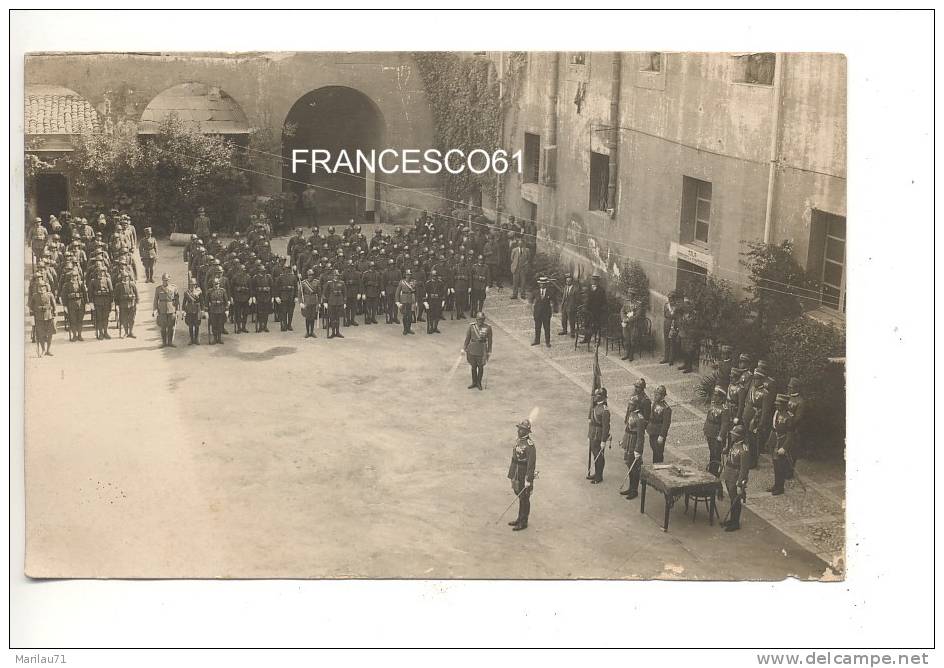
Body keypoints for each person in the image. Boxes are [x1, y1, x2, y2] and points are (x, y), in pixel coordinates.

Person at [506, 418, 537, 531]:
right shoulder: (518, 441)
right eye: (519, 429)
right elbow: (514, 458)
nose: (519, 431)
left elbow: (531, 464)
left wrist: (529, 479)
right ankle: (519, 518)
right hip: (517, 472)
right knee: (519, 495)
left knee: (525, 497)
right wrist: (511, 473)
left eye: (522, 429)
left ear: (527, 432)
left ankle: (524, 521)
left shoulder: (530, 445)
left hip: (524, 473)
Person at [720, 424, 750, 531]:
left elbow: (744, 469)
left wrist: (740, 483)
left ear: (739, 437)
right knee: (732, 499)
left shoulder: (744, 450)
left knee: (735, 501)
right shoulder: (734, 444)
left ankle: (735, 522)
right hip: (729, 475)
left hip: (735, 477)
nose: (732, 436)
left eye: (735, 434)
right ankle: (732, 520)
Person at [767, 394, 796, 496]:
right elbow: (774, 429)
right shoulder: (777, 413)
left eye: (779, 404)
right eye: (776, 404)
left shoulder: (789, 417)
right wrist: (770, 441)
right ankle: (776, 485)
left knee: (781, 466)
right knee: (775, 465)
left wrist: (784, 447)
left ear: (784, 405)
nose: (776, 406)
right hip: (776, 441)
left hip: (783, 442)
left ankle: (780, 487)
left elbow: (790, 435)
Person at [620, 395, 646, 500]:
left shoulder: (640, 418)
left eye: (631, 404)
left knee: (634, 468)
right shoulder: (631, 414)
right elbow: (627, 429)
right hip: (629, 442)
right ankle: (630, 487)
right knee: (628, 465)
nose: (629, 406)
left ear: (636, 405)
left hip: (635, 444)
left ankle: (634, 490)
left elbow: (641, 436)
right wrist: (624, 440)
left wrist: (638, 450)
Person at [462, 312, 492, 390]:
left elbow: (490, 341)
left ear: (484, 319)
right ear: (476, 319)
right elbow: (467, 338)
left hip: (482, 350)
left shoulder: (488, 327)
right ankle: (474, 382)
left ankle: (479, 382)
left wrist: (489, 351)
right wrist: (464, 348)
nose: (480, 321)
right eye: (479, 319)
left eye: (482, 319)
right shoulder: (472, 326)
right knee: (473, 367)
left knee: (481, 367)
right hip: (472, 349)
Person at [587, 387, 611, 484]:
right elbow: (591, 423)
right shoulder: (596, 406)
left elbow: (606, 427)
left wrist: (603, 441)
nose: (595, 397)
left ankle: (599, 476)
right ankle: (596, 473)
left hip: (599, 435)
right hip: (593, 434)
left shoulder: (605, 411)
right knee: (595, 454)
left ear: (602, 397)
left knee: (599, 456)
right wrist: (589, 435)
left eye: (597, 395)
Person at [152, 273, 180, 347]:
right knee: (163, 327)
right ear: (162, 280)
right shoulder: (158, 289)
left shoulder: (174, 288)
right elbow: (155, 300)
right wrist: (155, 310)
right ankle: (164, 343)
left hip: (171, 309)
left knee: (171, 326)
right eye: (164, 280)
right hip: (162, 310)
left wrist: (177, 310)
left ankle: (170, 342)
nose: (166, 282)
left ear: (169, 280)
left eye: (167, 280)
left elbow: (177, 300)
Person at [29, 281, 56, 356]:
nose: (41, 288)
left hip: (49, 317)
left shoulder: (49, 295)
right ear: (37, 288)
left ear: (45, 287)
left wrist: (54, 313)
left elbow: (54, 305)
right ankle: (43, 349)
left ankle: (48, 350)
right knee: (41, 334)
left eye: (43, 286)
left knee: (50, 334)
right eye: (40, 287)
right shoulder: (34, 296)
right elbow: (31, 307)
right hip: (39, 318)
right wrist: (33, 315)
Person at [646, 385, 672, 464]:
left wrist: (662, 435)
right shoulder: (655, 403)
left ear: (662, 396)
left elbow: (666, 424)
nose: (655, 396)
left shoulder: (666, 409)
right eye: (655, 394)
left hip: (658, 432)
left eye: (657, 394)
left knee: (658, 453)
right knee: (654, 449)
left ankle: (658, 466)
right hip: (652, 430)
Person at [88, 262, 114, 340]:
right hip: (97, 302)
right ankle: (100, 333)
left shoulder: (108, 280)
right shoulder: (93, 281)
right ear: (97, 272)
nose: (101, 273)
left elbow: (111, 291)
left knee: (106, 317)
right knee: (99, 318)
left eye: (102, 271)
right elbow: (90, 293)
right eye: (99, 272)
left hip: (106, 301)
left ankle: (105, 332)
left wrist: (112, 301)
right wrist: (91, 302)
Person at [530, 276, 556, 347]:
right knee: (537, 327)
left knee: (547, 328)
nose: (542, 285)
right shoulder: (535, 291)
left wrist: (553, 310)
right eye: (541, 284)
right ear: (539, 284)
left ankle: (547, 342)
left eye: (544, 284)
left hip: (546, 313)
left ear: (546, 284)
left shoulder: (550, 292)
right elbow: (531, 300)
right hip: (537, 313)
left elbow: (554, 301)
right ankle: (537, 340)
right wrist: (532, 308)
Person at [581, 274, 607, 344]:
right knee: (587, 324)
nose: (594, 282)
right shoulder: (589, 288)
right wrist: (585, 307)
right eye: (593, 280)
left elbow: (604, 301)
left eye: (596, 280)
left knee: (597, 326)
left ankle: (597, 340)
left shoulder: (601, 290)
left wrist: (602, 309)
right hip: (588, 311)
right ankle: (586, 339)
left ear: (598, 282)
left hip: (597, 311)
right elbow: (586, 299)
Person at [249, 264, 274, 333]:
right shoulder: (255, 278)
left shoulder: (268, 277)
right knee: (260, 312)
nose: (263, 272)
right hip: (259, 296)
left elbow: (272, 287)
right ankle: (260, 326)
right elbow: (252, 288)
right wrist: (253, 296)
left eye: (264, 271)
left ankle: (265, 326)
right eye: (262, 271)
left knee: (266, 312)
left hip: (267, 296)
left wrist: (272, 296)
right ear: (259, 271)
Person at [113, 272, 139, 338]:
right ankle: (126, 332)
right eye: (123, 277)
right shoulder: (118, 286)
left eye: (126, 277)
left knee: (132, 319)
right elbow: (116, 297)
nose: (125, 278)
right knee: (124, 319)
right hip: (123, 305)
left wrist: (137, 303)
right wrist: (117, 306)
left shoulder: (132, 284)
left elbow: (136, 294)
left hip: (132, 304)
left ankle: (131, 332)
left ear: (128, 277)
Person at [676, 296, 698, 373]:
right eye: (684, 304)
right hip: (683, 334)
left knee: (689, 351)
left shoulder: (693, 314)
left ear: (690, 305)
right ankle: (685, 364)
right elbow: (680, 323)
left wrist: (685, 321)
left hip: (690, 335)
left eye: (686, 304)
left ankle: (689, 367)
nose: (684, 306)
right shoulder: (683, 313)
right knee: (683, 350)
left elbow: (691, 324)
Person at [206, 277, 230, 345]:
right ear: (213, 284)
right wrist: (206, 311)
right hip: (213, 310)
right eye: (215, 284)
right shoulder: (209, 291)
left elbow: (226, 301)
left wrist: (227, 310)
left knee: (220, 325)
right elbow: (206, 302)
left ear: (219, 284)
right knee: (214, 325)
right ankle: (215, 338)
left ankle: (219, 338)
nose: (216, 285)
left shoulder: (223, 291)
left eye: (217, 284)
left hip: (221, 310)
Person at [276, 263, 298, 332]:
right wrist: (277, 297)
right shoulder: (280, 277)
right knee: (283, 312)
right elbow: (276, 287)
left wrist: (296, 296)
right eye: (286, 269)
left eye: (288, 269)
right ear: (283, 270)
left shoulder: (293, 277)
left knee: (290, 312)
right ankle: (284, 325)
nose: (287, 270)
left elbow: (296, 288)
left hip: (291, 296)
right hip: (283, 296)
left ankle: (289, 325)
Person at [324, 269, 346, 339]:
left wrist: (344, 302)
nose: (336, 277)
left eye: (337, 275)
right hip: (332, 302)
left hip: (339, 302)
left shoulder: (342, 283)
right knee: (332, 318)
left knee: (338, 318)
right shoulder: (329, 283)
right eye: (335, 275)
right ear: (333, 276)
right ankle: (333, 332)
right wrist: (325, 302)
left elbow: (345, 293)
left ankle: (338, 332)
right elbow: (325, 293)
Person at [229, 264, 251, 333]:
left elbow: (250, 288)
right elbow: (231, 288)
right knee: (238, 313)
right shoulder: (235, 277)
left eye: (244, 270)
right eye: (241, 270)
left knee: (245, 313)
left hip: (246, 297)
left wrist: (250, 297)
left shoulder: (248, 277)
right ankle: (239, 327)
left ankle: (244, 327)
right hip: (237, 297)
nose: (243, 271)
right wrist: (231, 297)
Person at [660, 291, 680, 364]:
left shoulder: (677, 306)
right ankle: (666, 358)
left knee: (672, 342)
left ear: (674, 299)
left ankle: (671, 359)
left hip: (674, 323)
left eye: (671, 298)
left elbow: (678, 316)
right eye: (669, 298)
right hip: (667, 323)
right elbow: (665, 314)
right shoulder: (666, 305)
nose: (670, 300)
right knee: (666, 341)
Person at [182, 277, 203, 345]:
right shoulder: (187, 292)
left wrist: (202, 310)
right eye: (191, 284)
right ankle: (191, 339)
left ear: (195, 285)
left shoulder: (199, 291)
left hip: (197, 310)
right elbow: (184, 302)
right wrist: (183, 311)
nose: (192, 286)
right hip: (189, 310)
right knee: (190, 326)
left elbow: (202, 301)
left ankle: (196, 339)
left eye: (193, 284)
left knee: (197, 325)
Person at [395, 268, 417, 335]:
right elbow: (397, 292)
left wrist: (416, 301)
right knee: (405, 316)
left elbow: (416, 291)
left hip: (411, 300)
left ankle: (409, 328)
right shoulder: (402, 282)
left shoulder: (413, 281)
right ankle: (405, 329)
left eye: (410, 275)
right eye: (407, 275)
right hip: (404, 299)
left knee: (410, 316)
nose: (408, 276)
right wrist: (397, 301)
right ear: (405, 275)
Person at [620, 295, 641, 361]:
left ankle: (631, 355)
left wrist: (629, 320)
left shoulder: (638, 304)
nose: (630, 296)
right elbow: (622, 311)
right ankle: (627, 354)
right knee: (626, 339)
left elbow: (637, 315)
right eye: (629, 295)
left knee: (633, 339)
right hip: (626, 324)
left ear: (634, 296)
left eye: (632, 295)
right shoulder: (626, 302)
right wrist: (624, 318)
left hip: (634, 325)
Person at [424, 268, 445, 334]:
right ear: (431, 276)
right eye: (433, 276)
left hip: (438, 300)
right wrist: (425, 302)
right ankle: (431, 327)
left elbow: (443, 292)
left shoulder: (441, 283)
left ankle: (435, 327)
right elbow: (425, 293)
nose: (434, 277)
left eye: (435, 276)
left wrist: (443, 301)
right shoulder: (428, 283)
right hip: (431, 300)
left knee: (437, 314)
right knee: (431, 314)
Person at [361, 261, 382, 325]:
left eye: (373, 266)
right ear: (369, 267)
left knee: (375, 306)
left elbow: (380, 283)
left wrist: (380, 291)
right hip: (368, 292)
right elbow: (362, 284)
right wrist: (363, 293)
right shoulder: (365, 274)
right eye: (371, 266)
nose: (372, 268)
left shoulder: (377, 274)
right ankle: (368, 318)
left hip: (375, 292)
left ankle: (373, 318)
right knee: (368, 306)